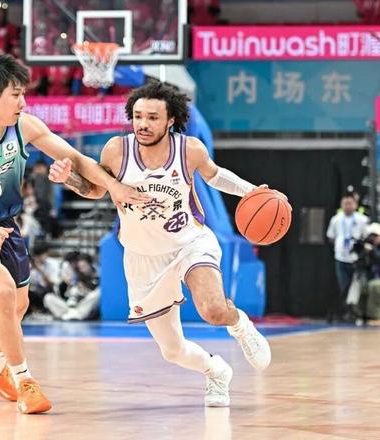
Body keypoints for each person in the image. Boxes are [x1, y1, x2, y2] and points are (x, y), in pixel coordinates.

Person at [0, 54, 146, 414]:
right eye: (16, 95)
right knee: (1, 290)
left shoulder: (24, 127)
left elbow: (78, 160)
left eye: (23, 94)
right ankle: (24, 380)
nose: (23, 102)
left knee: (17, 307)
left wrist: (113, 186)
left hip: (5, 225)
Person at [48, 81, 273, 407]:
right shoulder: (116, 151)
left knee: (213, 310)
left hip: (189, 243)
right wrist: (67, 178)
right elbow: (95, 189)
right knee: (173, 350)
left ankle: (240, 325)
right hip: (143, 258)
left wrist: (252, 191)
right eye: (138, 116)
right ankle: (216, 371)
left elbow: (215, 175)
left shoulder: (189, 150)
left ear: (170, 120)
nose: (143, 124)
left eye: (152, 117)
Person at [326, 193, 369, 323]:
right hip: (340, 257)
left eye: (350, 203)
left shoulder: (362, 220)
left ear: (355, 204)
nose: (348, 206)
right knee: (343, 286)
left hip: (356, 259)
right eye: (345, 203)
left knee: (355, 287)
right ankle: (344, 312)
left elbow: (366, 238)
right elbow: (331, 236)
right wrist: (340, 246)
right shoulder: (336, 219)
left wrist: (359, 248)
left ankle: (355, 311)